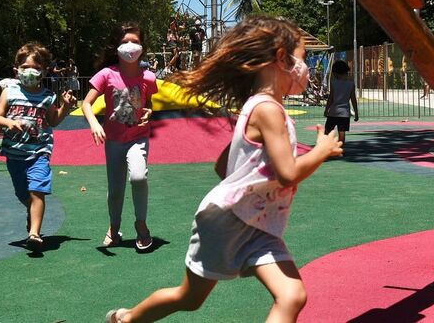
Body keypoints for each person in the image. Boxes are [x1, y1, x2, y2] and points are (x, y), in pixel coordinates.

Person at [104, 16, 343, 323]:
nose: (306, 67)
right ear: (282, 58)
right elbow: (288, 172)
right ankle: (127, 319)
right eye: (303, 58)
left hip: (257, 224)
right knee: (188, 299)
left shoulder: (261, 106)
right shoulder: (268, 109)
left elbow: (223, 165)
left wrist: (247, 183)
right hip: (227, 222)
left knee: (292, 295)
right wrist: (321, 151)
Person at [0, 43, 76, 252]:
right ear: (17, 69)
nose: (30, 71)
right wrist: (8, 123)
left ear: (44, 71)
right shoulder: (9, 92)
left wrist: (65, 106)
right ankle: (31, 213)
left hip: (39, 151)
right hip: (14, 153)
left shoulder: (48, 96)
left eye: (36, 68)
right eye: (26, 66)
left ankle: (34, 234)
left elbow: (54, 121)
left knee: (37, 190)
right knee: (23, 194)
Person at [82, 22, 158, 251]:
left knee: (138, 177)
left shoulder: (149, 78)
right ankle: (114, 229)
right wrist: (94, 123)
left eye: (135, 41)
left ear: (143, 47)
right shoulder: (106, 74)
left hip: (138, 137)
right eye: (125, 42)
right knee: (115, 190)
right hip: (114, 141)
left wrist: (149, 111)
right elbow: (86, 103)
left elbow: (149, 102)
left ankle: (141, 225)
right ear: (116, 47)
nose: (130, 46)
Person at [324, 60, 359, 143]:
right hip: (345, 113)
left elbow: (331, 98)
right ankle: (340, 149)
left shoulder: (333, 83)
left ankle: (326, 148)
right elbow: (353, 99)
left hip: (333, 112)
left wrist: (326, 110)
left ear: (335, 73)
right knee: (342, 133)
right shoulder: (351, 84)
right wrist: (356, 113)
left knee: (327, 131)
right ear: (346, 71)